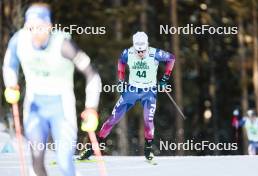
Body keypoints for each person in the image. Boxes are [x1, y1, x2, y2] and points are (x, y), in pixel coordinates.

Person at [2, 3, 102, 176]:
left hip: (61, 107)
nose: (36, 33)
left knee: (64, 161)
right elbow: (9, 66)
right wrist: (11, 84)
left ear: (49, 26)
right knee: (37, 157)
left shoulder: (64, 45)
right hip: (35, 107)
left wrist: (91, 108)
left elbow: (92, 75)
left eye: (40, 27)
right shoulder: (19, 40)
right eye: (31, 27)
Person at [78, 31, 175, 161]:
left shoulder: (155, 53)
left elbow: (171, 58)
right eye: (138, 51)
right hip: (132, 91)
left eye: (143, 51)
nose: (140, 54)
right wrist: (121, 80)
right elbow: (121, 62)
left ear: (147, 46)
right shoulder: (128, 53)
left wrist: (165, 79)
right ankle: (92, 148)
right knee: (113, 119)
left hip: (149, 91)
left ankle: (148, 150)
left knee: (148, 120)